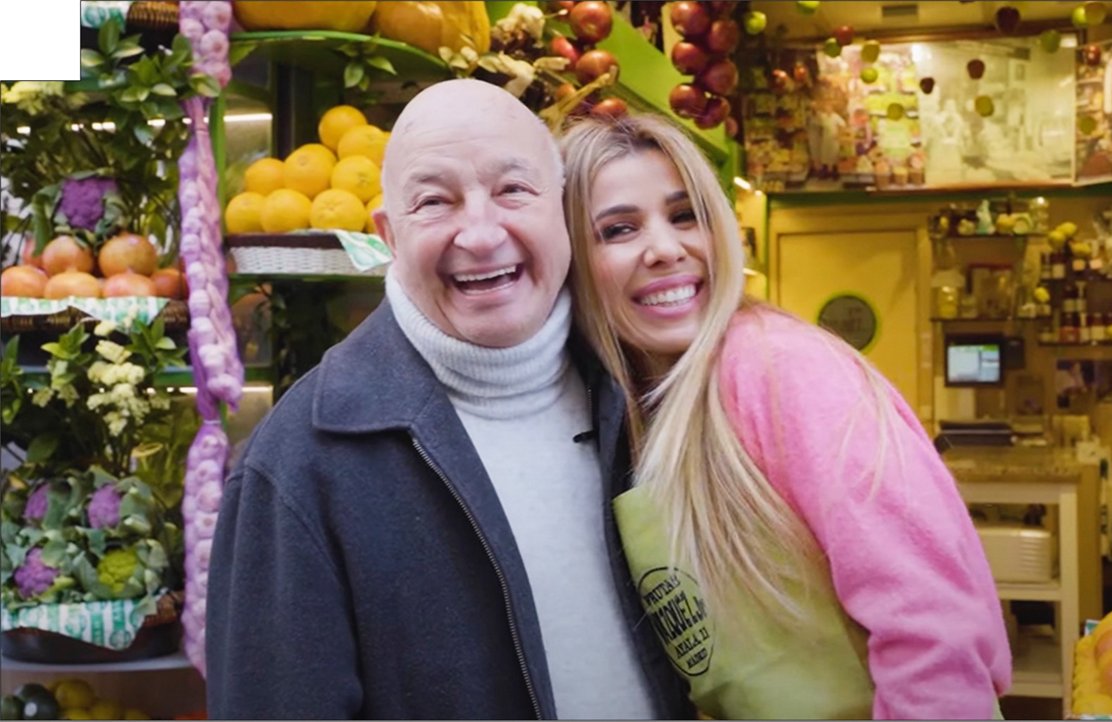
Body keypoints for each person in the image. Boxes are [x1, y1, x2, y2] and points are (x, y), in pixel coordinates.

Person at [205, 80, 692, 720]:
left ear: (563, 207)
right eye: (435, 202)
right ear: (388, 234)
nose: (482, 234)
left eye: (513, 190)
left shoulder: (648, 394)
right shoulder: (298, 467)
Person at [560, 114, 1012, 720]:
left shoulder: (778, 368)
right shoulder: (638, 404)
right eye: (618, 229)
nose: (667, 249)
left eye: (685, 214)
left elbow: (938, 634)